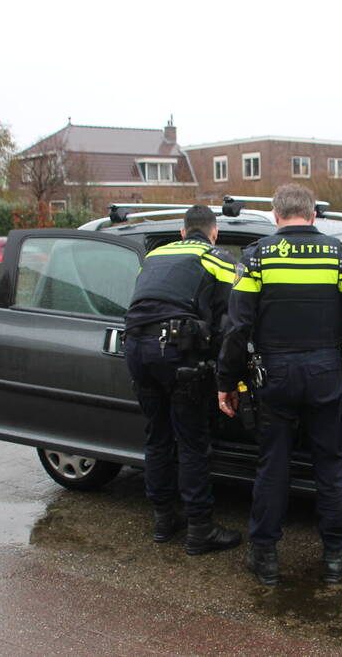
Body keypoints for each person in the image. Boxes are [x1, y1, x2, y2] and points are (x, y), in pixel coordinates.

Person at [217, 184, 342, 585]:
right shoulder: (340, 255)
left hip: (275, 376)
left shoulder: (255, 258)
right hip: (326, 374)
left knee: (273, 466)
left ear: (275, 216)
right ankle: (337, 557)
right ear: (313, 216)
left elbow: (237, 327)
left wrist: (227, 381)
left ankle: (265, 557)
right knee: (331, 466)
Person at [124, 204, 242, 556]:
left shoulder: (155, 256)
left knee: (157, 438)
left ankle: (163, 520)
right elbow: (233, 317)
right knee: (191, 443)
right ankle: (200, 530)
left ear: (182, 231)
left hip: (135, 349)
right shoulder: (216, 257)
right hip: (177, 353)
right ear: (214, 231)